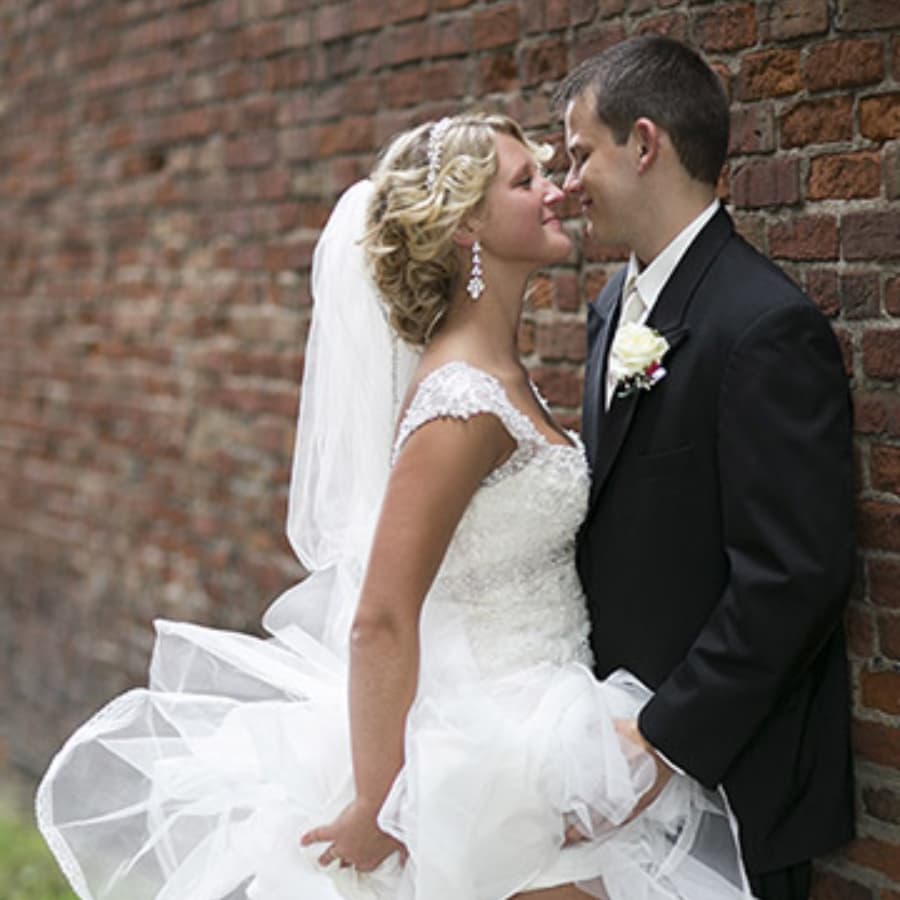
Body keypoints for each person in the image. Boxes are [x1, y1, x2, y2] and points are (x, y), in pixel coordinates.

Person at [37, 113, 754, 900]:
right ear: (467, 228)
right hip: (496, 748)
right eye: (526, 182)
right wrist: (385, 804)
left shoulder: (499, 378)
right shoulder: (461, 401)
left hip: (553, 716)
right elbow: (381, 612)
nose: (556, 193)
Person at [556, 35, 856, 900]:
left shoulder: (763, 326)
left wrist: (664, 738)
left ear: (643, 144)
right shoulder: (615, 303)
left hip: (727, 776)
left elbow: (795, 574)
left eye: (581, 154)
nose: (568, 183)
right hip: (622, 764)